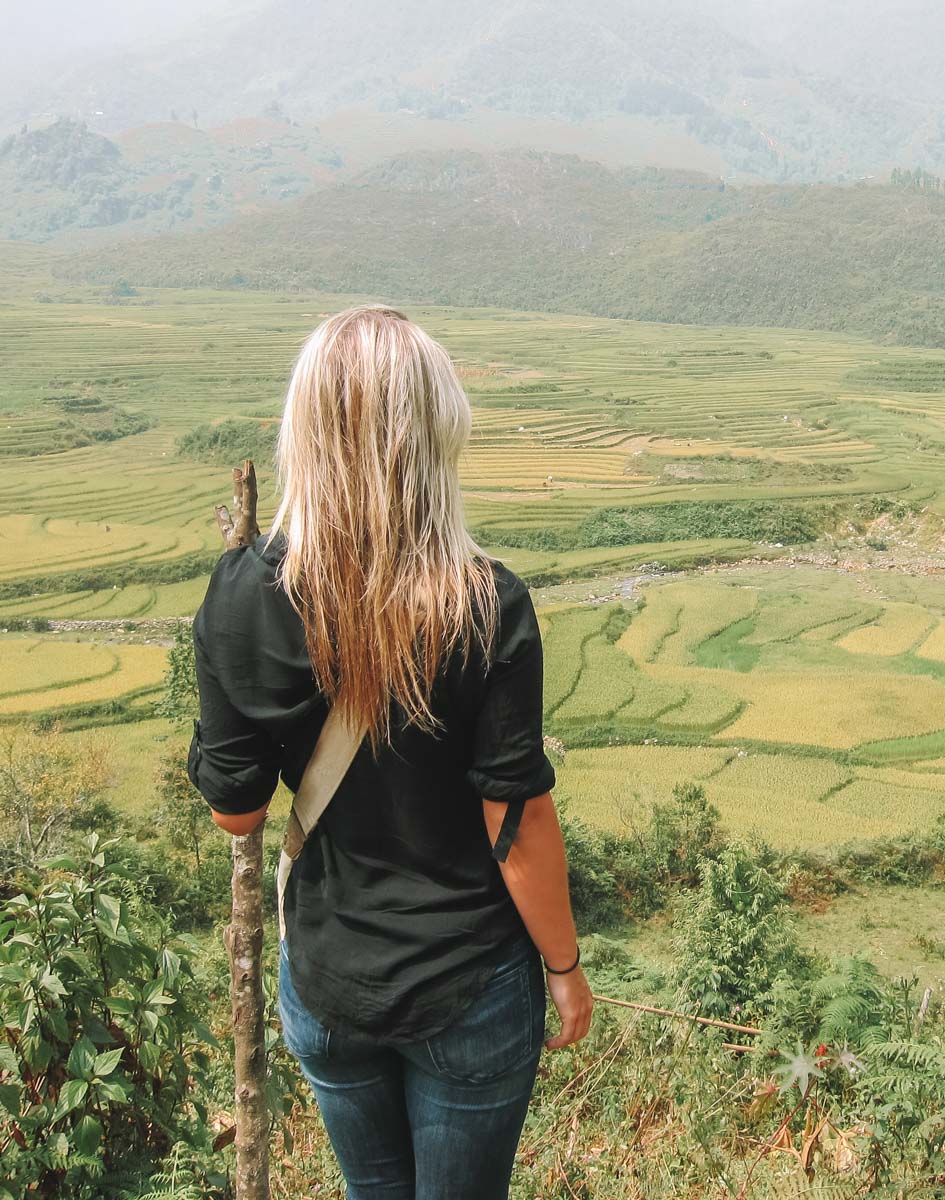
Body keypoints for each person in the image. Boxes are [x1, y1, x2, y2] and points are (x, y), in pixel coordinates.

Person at [187, 305, 593, 1199]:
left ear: (306, 434)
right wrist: (564, 971)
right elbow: (516, 827)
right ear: (433, 434)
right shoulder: (485, 604)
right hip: (469, 984)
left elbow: (237, 810)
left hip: (331, 985)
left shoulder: (242, 596)